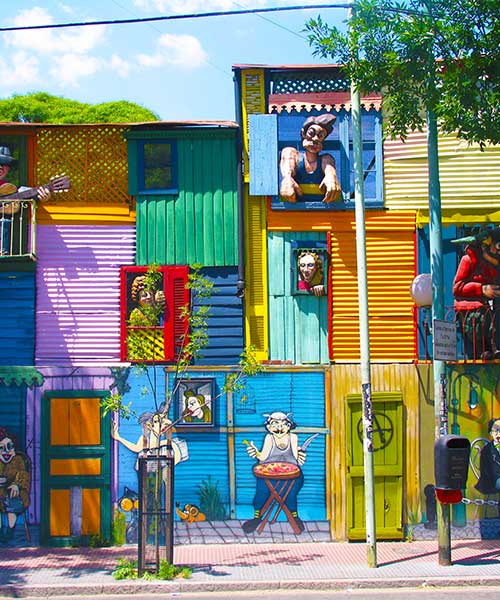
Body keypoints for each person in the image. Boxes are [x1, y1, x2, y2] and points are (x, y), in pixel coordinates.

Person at [242, 412, 306, 534]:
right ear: (269, 427)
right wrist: (256, 452)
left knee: (290, 493)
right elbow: (263, 458)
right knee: (262, 490)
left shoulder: (293, 438)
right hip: (269, 474)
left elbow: (296, 461)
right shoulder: (269, 438)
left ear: (289, 426)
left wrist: (301, 455)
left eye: (283, 424)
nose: (279, 428)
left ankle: (294, 516)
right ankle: (257, 518)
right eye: (275, 424)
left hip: (291, 475)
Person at [453, 228, 500, 360]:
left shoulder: (489, 264)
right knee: (479, 326)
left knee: (490, 326)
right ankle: (482, 350)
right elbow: (457, 287)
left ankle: (492, 349)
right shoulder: (467, 260)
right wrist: (482, 289)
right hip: (469, 308)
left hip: (484, 306)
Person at [0, 146, 51, 255]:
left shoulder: (9, 189)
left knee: (4, 222)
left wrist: (43, 196)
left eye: (4, 164)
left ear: (8, 169)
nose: (0, 168)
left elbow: (25, 194)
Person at [279, 114, 341, 204]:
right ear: (303, 133)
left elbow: (329, 167)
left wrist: (331, 176)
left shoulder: (325, 159)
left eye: (320, 136)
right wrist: (287, 178)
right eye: (311, 133)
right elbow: (287, 158)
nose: (315, 138)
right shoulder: (293, 155)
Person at [0, 428, 30, 543]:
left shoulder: (18, 461)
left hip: (15, 492)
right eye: (2, 448)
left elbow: (23, 474)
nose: (6, 451)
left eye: (9, 447)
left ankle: (10, 530)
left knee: (13, 502)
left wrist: (16, 485)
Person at [475, 418, 500, 496]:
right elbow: (489, 472)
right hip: (491, 481)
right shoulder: (487, 450)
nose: (498, 433)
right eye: (495, 430)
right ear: (490, 433)